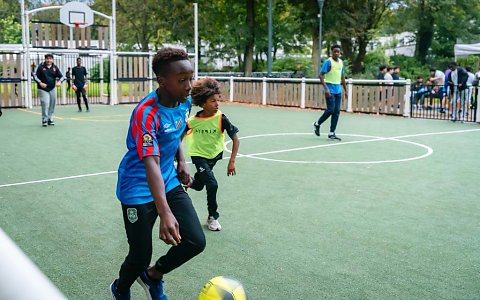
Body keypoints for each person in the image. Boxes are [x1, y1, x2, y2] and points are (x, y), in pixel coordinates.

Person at [111, 48, 206, 300]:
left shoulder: (184, 102)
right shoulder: (146, 113)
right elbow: (151, 161)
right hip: (137, 189)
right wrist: (164, 212)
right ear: (162, 81)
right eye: (182, 79)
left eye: (190, 77)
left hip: (168, 179)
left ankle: (152, 276)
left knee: (195, 241)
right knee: (140, 254)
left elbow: (174, 133)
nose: (189, 85)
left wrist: (182, 161)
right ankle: (120, 288)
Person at [185, 77, 240, 231]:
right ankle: (212, 217)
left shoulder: (221, 118)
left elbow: (236, 139)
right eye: (213, 101)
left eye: (218, 100)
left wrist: (232, 161)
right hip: (198, 156)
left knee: (200, 184)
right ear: (203, 103)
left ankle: (188, 181)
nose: (217, 104)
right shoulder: (192, 121)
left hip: (214, 155)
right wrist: (177, 158)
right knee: (212, 184)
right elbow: (178, 138)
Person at [313, 44, 347, 141]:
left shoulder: (341, 62)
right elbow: (320, 75)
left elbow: (342, 77)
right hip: (329, 89)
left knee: (336, 112)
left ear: (340, 53)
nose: (336, 53)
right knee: (331, 110)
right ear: (332, 52)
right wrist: (326, 88)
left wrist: (345, 90)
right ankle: (317, 123)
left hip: (338, 90)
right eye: (335, 51)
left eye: (338, 52)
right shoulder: (328, 62)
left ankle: (332, 133)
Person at [32, 54, 65, 127]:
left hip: (52, 88)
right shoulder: (40, 67)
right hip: (43, 89)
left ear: (52, 60)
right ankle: (44, 119)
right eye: (47, 59)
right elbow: (34, 76)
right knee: (45, 103)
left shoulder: (55, 68)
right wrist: (40, 83)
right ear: (45, 59)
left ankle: (50, 118)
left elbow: (62, 76)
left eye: (50, 59)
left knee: (52, 104)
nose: (49, 60)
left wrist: (60, 81)